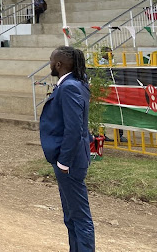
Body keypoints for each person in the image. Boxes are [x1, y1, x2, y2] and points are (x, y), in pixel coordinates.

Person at [39, 46, 95, 252]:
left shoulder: (69, 87)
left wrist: (63, 161)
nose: (50, 63)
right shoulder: (76, 83)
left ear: (59, 64)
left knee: (80, 217)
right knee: (71, 216)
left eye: (51, 60)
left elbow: (74, 128)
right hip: (70, 159)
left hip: (69, 162)